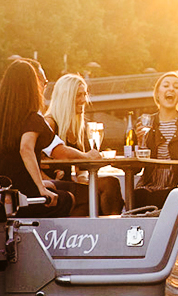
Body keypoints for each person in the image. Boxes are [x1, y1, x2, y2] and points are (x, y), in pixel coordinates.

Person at [0, 59, 73, 217]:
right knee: (68, 199)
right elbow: (25, 148)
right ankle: (54, 240)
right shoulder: (32, 119)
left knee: (53, 188)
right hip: (21, 199)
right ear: (31, 87)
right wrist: (41, 187)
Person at [44, 72, 121, 215]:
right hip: (50, 185)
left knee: (109, 184)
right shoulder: (49, 123)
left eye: (85, 94)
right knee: (108, 185)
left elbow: (81, 170)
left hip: (67, 184)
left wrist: (85, 180)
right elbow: (30, 161)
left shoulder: (75, 127)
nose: (84, 100)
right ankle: (112, 229)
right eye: (79, 95)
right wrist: (48, 181)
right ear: (66, 97)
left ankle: (110, 229)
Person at [134, 71, 178, 209]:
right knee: (138, 196)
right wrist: (139, 144)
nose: (171, 89)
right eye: (166, 85)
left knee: (168, 197)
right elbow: (135, 169)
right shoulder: (144, 122)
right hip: (148, 186)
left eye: (176, 86)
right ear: (157, 94)